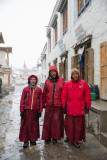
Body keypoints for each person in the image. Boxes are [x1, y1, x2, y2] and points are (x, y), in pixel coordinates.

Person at [61, 68, 91, 148]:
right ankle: (70, 137)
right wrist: (64, 106)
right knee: (69, 125)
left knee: (78, 126)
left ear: (78, 74)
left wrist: (87, 106)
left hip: (79, 108)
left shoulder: (83, 84)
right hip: (70, 108)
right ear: (71, 75)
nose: (75, 75)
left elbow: (87, 96)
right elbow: (63, 96)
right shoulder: (67, 84)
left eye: (76, 74)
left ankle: (76, 140)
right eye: (73, 74)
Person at [42, 65, 65, 144]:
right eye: (51, 72)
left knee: (56, 122)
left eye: (54, 71)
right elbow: (44, 93)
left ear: (56, 72)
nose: (53, 73)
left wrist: (63, 104)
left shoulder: (61, 80)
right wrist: (43, 104)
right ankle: (47, 137)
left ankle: (55, 137)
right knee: (48, 122)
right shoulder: (47, 81)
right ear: (49, 73)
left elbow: (64, 93)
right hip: (49, 105)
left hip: (58, 105)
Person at [19, 75, 43, 148]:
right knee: (25, 126)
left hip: (35, 111)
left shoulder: (39, 90)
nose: (33, 81)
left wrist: (40, 111)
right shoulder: (25, 89)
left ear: (36, 81)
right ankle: (25, 141)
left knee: (34, 126)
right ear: (29, 80)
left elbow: (41, 101)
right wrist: (22, 111)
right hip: (27, 111)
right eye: (31, 79)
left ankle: (33, 140)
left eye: (34, 79)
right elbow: (22, 100)